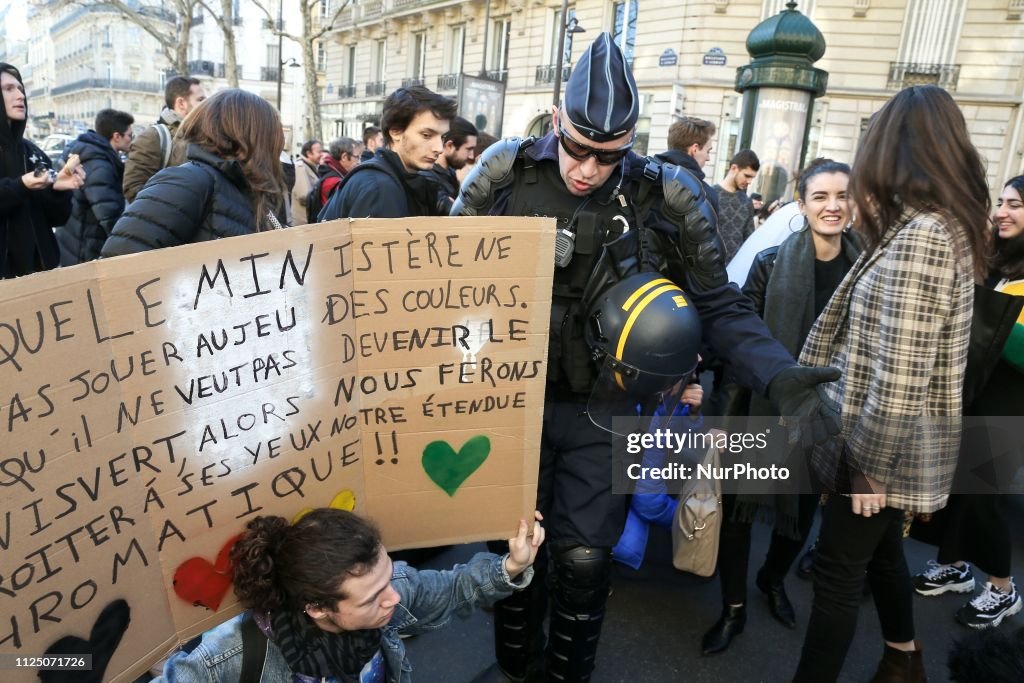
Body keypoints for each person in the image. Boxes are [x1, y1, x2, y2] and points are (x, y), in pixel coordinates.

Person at [453, 33, 839, 683]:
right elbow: (434, 280)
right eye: (577, 147)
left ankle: (566, 674)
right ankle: (515, 665)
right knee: (512, 548)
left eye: (608, 154)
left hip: (605, 408)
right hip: (512, 398)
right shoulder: (503, 171)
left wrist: (779, 372)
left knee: (582, 558)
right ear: (556, 123)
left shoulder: (665, 195)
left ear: (630, 141)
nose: (588, 168)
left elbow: (718, 303)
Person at [792, 85, 991, 683]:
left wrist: (868, 470)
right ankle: (904, 658)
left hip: (878, 449)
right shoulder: (930, 226)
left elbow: (901, 372)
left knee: (835, 576)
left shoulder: (925, 235)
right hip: (883, 441)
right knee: (881, 557)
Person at [703, 159, 862, 655]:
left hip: (827, 414)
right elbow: (736, 347)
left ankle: (772, 579)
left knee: (801, 511)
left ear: (853, 204)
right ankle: (733, 609)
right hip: (764, 406)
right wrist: (720, 424)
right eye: (820, 197)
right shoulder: (771, 263)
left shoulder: (866, 270)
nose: (832, 206)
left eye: (841, 196)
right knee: (739, 515)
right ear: (802, 205)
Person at [153, 508, 544, 682]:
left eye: (388, 577)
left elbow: (455, 588)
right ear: (318, 609)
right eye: (372, 598)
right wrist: (87, 662)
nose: (393, 598)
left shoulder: (393, 593)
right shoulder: (232, 654)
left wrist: (510, 566)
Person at [909, 174, 1024, 630]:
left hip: (1010, 404)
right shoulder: (997, 263)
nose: (1001, 212)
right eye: (1001, 202)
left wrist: (986, 320)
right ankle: (954, 565)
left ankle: (1003, 587)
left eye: (1014, 204)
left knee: (982, 497)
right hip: (973, 394)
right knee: (957, 486)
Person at [102, 89, 286, 257]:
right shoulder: (188, 182)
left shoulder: (247, 190)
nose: (277, 147)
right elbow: (118, 270)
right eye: (273, 137)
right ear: (251, 138)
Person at [320, 86, 456, 220]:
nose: (439, 148)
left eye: (442, 137)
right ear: (395, 132)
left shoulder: (397, 180)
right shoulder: (380, 187)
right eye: (426, 135)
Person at [0, 62, 84, 278]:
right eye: (9, 89)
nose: (20, 95)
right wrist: (21, 186)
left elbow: (57, 218)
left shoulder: (32, 152)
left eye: (20, 89)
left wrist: (59, 189)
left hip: (41, 280)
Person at [54, 109, 134, 265]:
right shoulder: (99, 165)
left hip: (71, 240)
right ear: (116, 136)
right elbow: (108, 214)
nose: (132, 140)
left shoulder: (82, 149)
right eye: (130, 135)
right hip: (84, 248)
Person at [122, 76, 206, 203]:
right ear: (181, 103)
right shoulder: (152, 137)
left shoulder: (203, 136)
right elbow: (134, 190)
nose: (205, 106)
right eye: (200, 100)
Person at [656, 116, 719, 213]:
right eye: (708, 151)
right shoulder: (706, 196)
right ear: (695, 149)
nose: (708, 158)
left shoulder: (645, 176)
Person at [714, 149, 760, 263]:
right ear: (734, 168)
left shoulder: (747, 202)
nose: (749, 181)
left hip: (736, 270)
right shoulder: (710, 194)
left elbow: (749, 241)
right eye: (747, 175)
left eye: (752, 177)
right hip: (709, 270)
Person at [430, 116, 478, 214]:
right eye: (468, 149)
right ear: (450, 146)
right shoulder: (428, 178)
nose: (471, 156)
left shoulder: (453, 173)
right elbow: (459, 216)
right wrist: (464, 185)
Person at [291, 138, 324, 226]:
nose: (322, 154)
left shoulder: (311, 167)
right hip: (303, 222)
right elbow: (303, 195)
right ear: (309, 153)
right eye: (319, 152)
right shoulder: (301, 167)